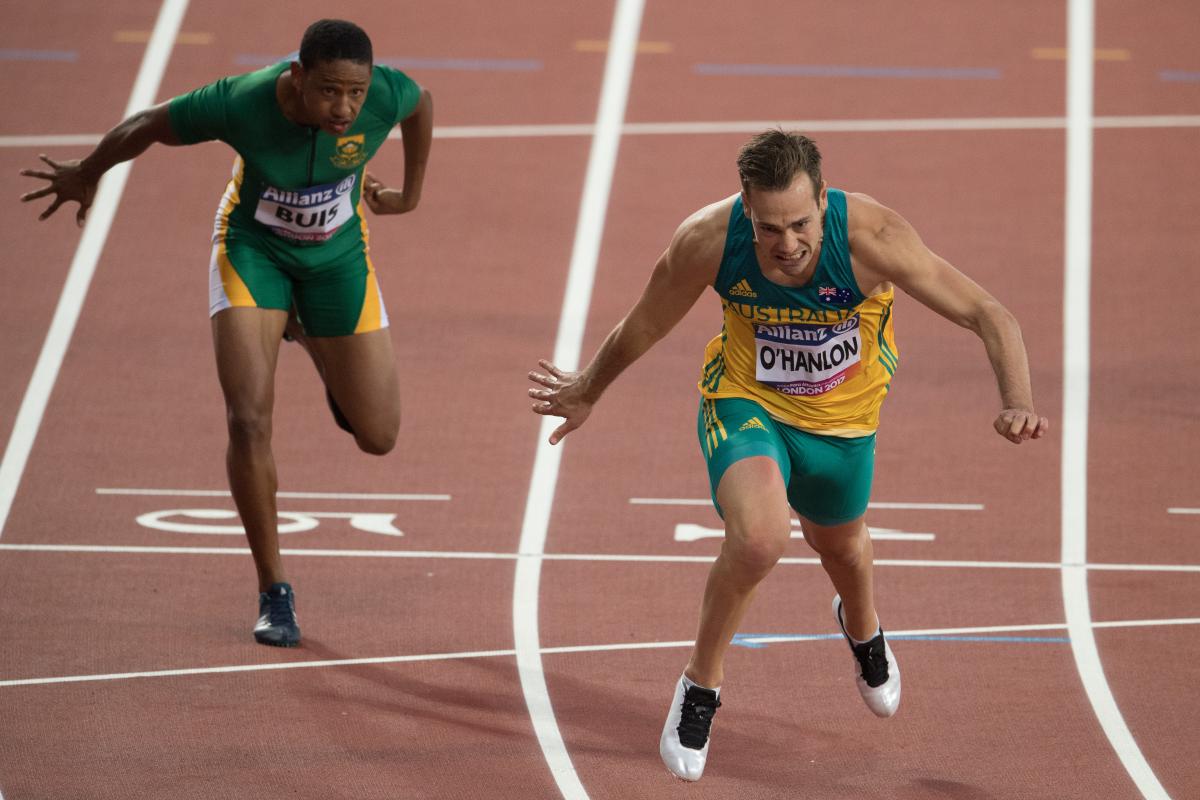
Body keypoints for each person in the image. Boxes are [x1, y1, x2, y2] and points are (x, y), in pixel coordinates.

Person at [528, 130, 1048, 781]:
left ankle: (862, 628)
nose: (788, 244)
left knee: (845, 551)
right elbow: (646, 321)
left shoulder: (872, 238)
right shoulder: (709, 241)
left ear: (824, 201)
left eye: (801, 223)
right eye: (770, 227)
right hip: (747, 405)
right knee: (759, 538)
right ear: (746, 207)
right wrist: (587, 390)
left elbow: (988, 313)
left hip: (844, 428)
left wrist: (1017, 398)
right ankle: (701, 685)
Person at [21, 19, 434, 648]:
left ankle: (304, 330)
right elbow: (145, 125)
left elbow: (422, 102)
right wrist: (90, 169)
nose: (345, 107)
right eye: (329, 91)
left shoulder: (384, 94)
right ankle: (275, 591)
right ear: (297, 76)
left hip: (338, 258)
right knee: (248, 418)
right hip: (253, 252)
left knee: (377, 436)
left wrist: (412, 193)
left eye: (356, 92)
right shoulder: (241, 101)